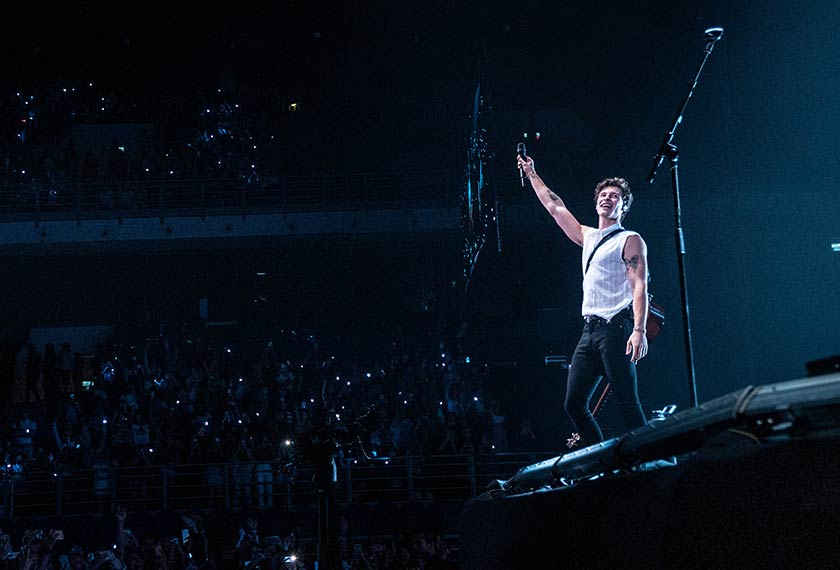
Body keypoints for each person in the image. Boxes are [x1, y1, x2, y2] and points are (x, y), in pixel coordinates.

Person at [518, 153, 648, 446]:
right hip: (589, 332)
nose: (607, 198)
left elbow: (639, 285)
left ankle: (650, 460)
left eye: (614, 196)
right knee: (573, 404)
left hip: (616, 329)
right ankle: (599, 455)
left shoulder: (629, 239)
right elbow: (554, 206)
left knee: (628, 403)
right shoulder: (586, 236)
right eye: (603, 194)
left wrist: (638, 330)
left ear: (623, 206)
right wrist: (531, 174)